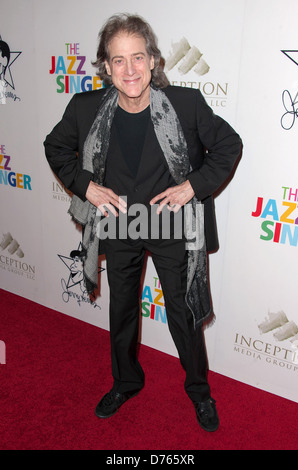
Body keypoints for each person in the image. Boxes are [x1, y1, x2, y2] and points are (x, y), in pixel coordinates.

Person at [44, 13, 242, 432]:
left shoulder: (186, 105)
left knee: (182, 313)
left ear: (153, 60)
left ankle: (199, 391)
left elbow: (228, 145)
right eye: (119, 60)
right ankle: (125, 382)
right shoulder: (84, 109)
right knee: (122, 310)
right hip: (120, 222)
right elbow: (54, 146)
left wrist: (193, 186)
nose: (130, 69)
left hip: (173, 223)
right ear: (106, 66)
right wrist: (87, 187)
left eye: (138, 58)